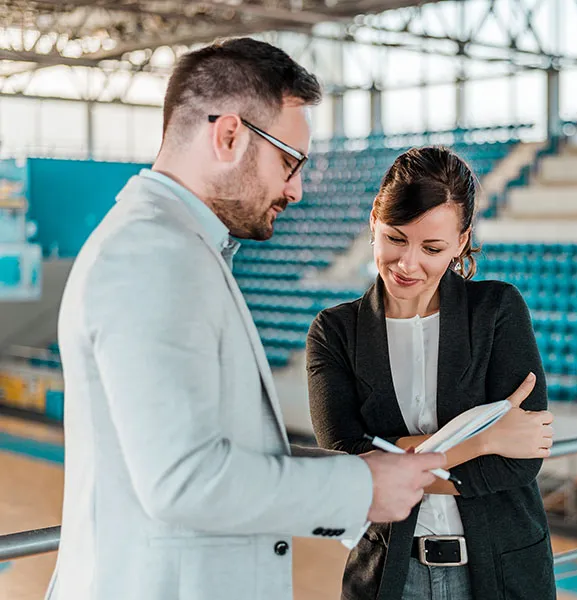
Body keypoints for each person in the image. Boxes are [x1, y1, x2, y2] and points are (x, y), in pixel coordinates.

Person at [45, 38, 448, 600]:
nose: (297, 189)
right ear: (229, 135)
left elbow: (209, 452)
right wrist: (360, 486)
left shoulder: (180, 248)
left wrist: (368, 470)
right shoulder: (152, 255)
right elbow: (182, 481)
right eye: (290, 161)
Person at [306, 146, 557, 600]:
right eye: (396, 239)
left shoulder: (497, 310)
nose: (408, 264)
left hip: (502, 570)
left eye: (433, 247)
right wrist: (483, 440)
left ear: (461, 242)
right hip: (389, 574)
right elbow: (348, 463)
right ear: (373, 224)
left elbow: (520, 461)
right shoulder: (335, 331)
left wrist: (394, 464)